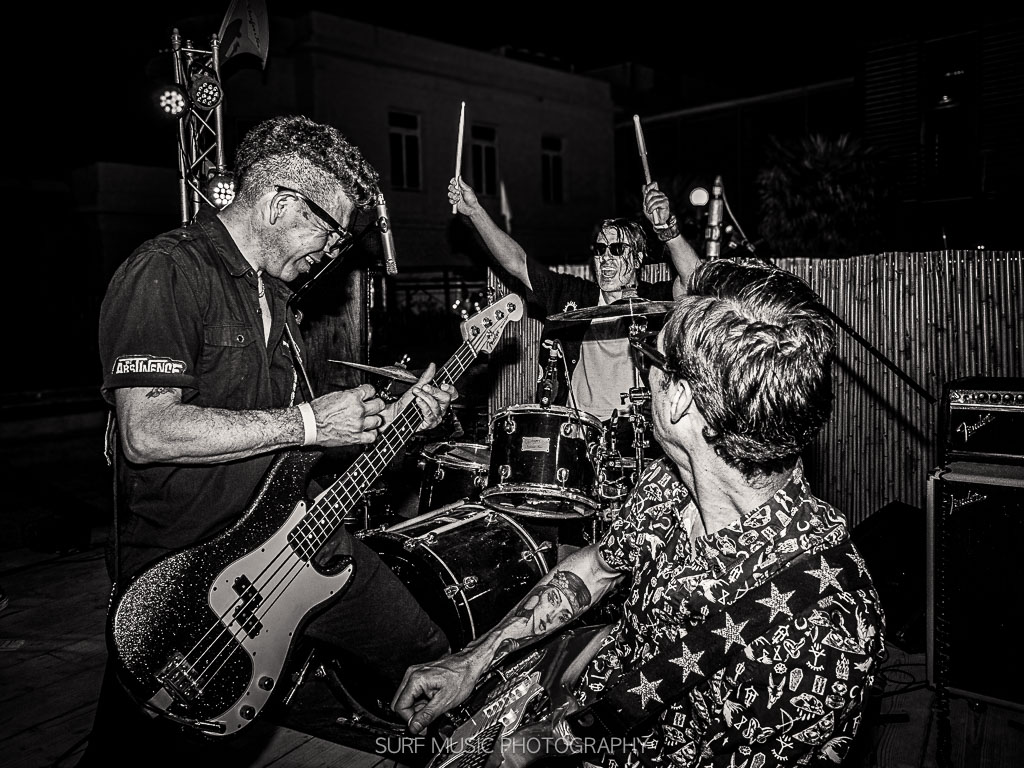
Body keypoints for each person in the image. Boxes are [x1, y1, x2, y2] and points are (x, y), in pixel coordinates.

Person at [392, 257, 887, 768]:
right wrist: (473, 661)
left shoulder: (824, 635)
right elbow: (598, 567)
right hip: (588, 703)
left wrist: (544, 748)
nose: (644, 371)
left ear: (679, 400)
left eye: (652, 355)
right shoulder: (670, 482)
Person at [77, 115, 458, 767]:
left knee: (431, 657)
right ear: (281, 203)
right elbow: (147, 430)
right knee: (146, 745)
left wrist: (394, 421)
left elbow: (290, 441)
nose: (332, 251)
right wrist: (308, 421)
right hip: (191, 572)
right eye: (330, 230)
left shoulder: (278, 300)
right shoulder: (167, 271)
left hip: (299, 540)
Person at [448, 176, 702, 431]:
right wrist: (475, 211)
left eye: (616, 249)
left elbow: (694, 279)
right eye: (600, 250)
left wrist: (667, 230)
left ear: (637, 259)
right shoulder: (574, 295)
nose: (605, 258)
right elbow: (517, 262)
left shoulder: (654, 300)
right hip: (577, 428)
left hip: (634, 431)